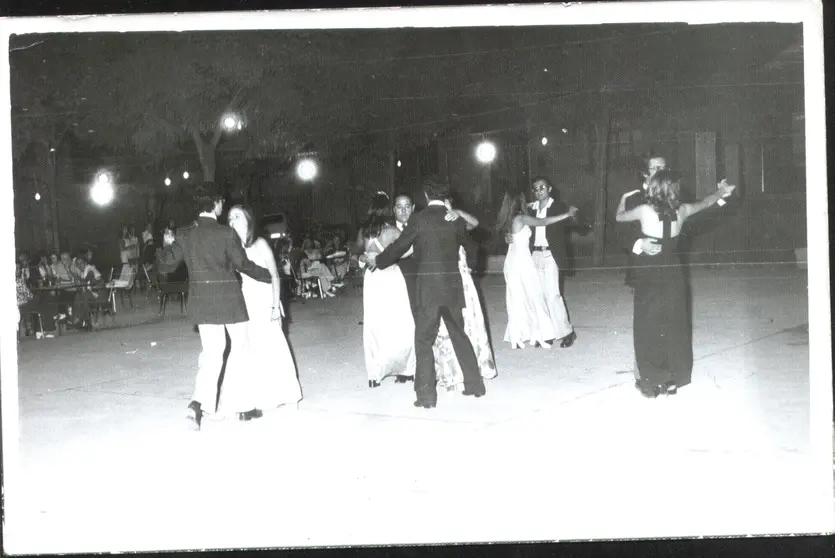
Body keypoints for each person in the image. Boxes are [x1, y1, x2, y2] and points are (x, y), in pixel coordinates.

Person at [157, 184, 273, 430]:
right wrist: (269, 274)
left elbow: (165, 266)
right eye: (222, 202)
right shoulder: (226, 233)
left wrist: (167, 244)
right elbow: (243, 264)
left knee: (212, 355)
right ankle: (243, 407)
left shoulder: (184, 234)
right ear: (217, 203)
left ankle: (197, 405)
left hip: (203, 304)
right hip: (230, 302)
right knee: (240, 350)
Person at [367, 176, 486, 409]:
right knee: (459, 335)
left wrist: (379, 261)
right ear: (445, 198)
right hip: (452, 288)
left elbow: (399, 248)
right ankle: (475, 385)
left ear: (426, 197)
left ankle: (426, 397)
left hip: (428, 291)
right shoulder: (454, 219)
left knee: (423, 340)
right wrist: (473, 264)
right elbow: (472, 246)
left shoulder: (418, 219)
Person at [616, 170, 735, 398]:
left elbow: (619, 217)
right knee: (673, 326)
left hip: (649, 273)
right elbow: (706, 202)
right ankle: (673, 379)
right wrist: (722, 191)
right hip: (674, 273)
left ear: (654, 188)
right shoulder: (682, 210)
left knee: (647, 327)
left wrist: (622, 199)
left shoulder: (643, 210)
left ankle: (651, 382)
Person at [217, 205, 302, 416]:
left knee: (272, 344)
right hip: (245, 299)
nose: (233, 220)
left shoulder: (260, 243)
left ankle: (282, 394)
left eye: (237, 216)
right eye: (230, 218)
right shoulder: (232, 247)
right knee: (250, 348)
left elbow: (274, 275)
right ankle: (253, 399)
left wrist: (275, 306)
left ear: (247, 219)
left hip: (264, 298)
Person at [496, 191, 578, 349]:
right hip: (525, 260)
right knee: (534, 297)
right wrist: (566, 214)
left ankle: (523, 336)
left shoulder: (510, 218)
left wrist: (508, 237)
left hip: (514, 260)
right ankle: (540, 334)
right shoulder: (523, 216)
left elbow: (511, 234)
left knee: (520, 297)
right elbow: (544, 221)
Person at [359, 191, 416, 388]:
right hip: (391, 277)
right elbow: (410, 249)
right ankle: (406, 369)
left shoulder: (366, 232)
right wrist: (392, 255)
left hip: (373, 280)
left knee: (375, 325)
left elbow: (362, 253)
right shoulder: (391, 231)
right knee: (400, 323)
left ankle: (374, 375)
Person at [527, 176, 578, 348]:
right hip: (534, 255)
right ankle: (546, 333)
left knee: (553, 295)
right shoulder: (530, 209)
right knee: (538, 296)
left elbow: (576, 222)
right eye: (536, 188)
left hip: (551, 255)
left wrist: (574, 215)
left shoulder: (558, 207)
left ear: (549, 189)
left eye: (542, 187)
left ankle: (567, 332)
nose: (539, 191)